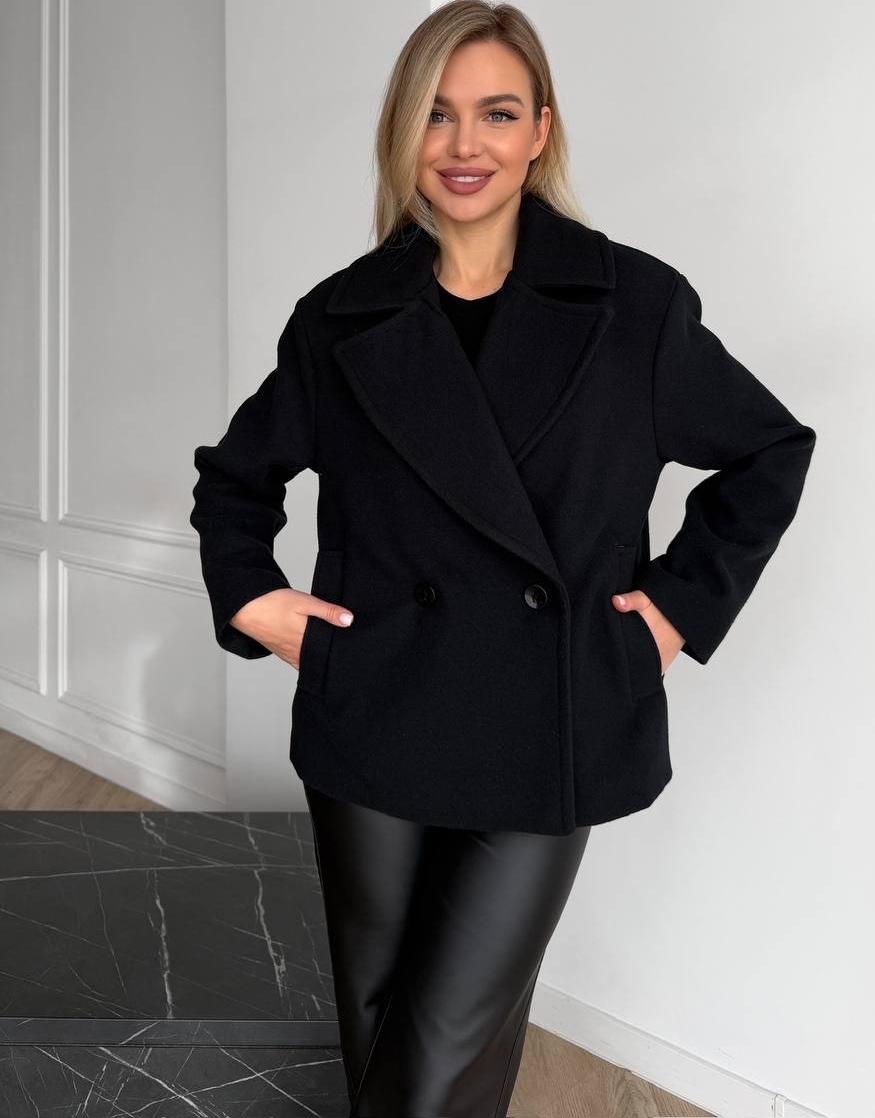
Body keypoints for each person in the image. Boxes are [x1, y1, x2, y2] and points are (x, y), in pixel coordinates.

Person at [188, 3, 817, 1114]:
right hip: (373, 709)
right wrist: (255, 600)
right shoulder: (339, 319)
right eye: (436, 114)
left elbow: (767, 450)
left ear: (539, 131)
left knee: (433, 1061)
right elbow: (236, 479)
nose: (463, 143)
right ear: (401, 132)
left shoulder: (632, 306)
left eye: (495, 112)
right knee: (382, 1029)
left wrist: (674, 608)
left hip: (549, 717)